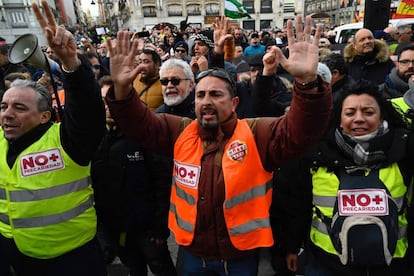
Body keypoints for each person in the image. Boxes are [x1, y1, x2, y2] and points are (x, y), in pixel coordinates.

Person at [106, 15, 332, 275]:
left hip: (239, 258)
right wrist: (122, 89)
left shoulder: (256, 133)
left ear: (234, 103)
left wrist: (307, 84)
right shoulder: (179, 131)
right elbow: (138, 123)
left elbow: (300, 131)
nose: (206, 101)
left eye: (216, 94)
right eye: (201, 95)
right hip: (191, 254)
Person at [0, 1, 106, 275]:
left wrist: (71, 64)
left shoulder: (66, 140)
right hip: (18, 256)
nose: (8, 114)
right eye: (4, 106)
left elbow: (85, 109)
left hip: (75, 259)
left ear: (45, 116)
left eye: (20, 108)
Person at [303, 80, 412, 276]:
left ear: (381, 117)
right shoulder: (318, 154)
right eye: (350, 112)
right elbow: (297, 205)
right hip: (327, 264)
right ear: (339, 118)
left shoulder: (404, 151)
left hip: (394, 266)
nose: (359, 118)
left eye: (368, 112)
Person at [91, 76, 177, 276]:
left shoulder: (146, 133)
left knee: (161, 267)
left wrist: (160, 226)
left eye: (112, 101)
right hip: (117, 229)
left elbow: (163, 182)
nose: (108, 107)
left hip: (148, 228)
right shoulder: (95, 138)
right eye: (103, 102)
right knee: (134, 269)